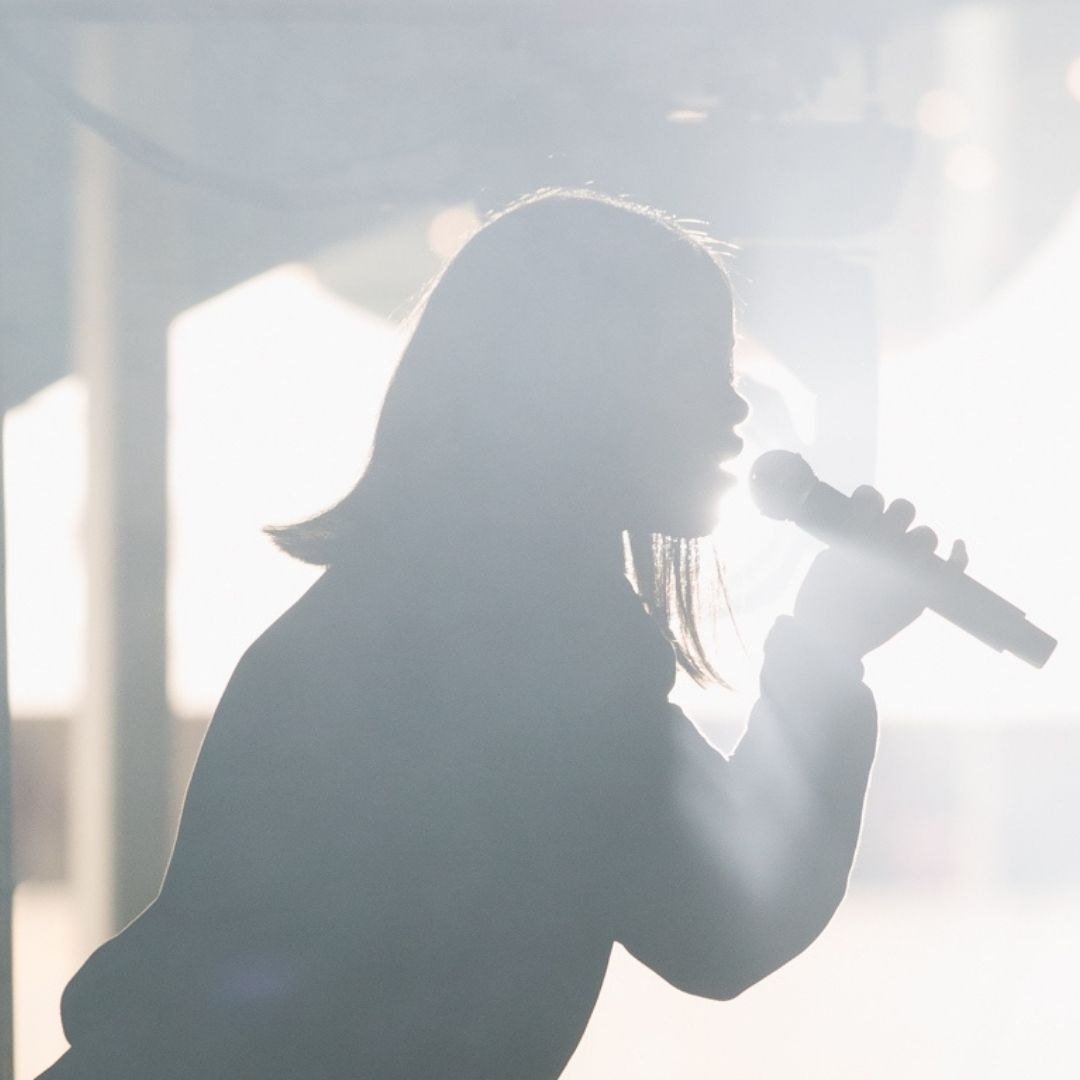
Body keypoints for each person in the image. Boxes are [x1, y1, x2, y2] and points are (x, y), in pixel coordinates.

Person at [38, 189, 964, 1079]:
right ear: (580, 386)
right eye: (697, 368)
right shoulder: (537, 645)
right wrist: (828, 651)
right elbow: (725, 925)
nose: (734, 409)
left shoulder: (424, 606)